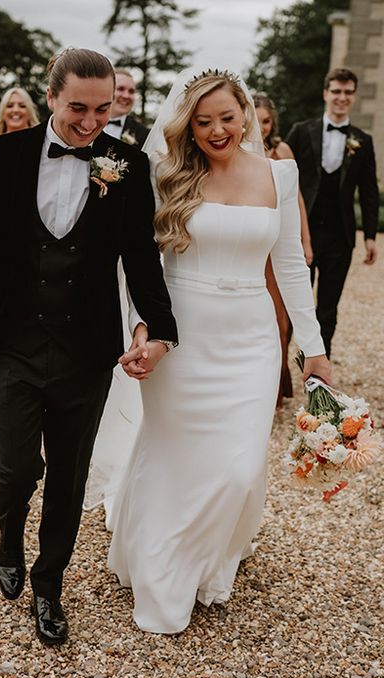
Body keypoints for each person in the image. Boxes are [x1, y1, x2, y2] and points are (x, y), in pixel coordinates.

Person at [0, 48, 177, 645]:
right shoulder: (4, 154)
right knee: (18, 463)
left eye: (102, 110)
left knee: (70, 475)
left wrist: (160, 326)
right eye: (77, 108)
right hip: (13, 342)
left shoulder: (124, 162)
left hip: (86, 346)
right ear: (50, 97)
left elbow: (141, 256)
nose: (89, 123)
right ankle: (7, 532)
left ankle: (49, 585)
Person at [105, 69, 332, 634]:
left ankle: (211, 554)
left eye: (227, 118)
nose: (216, 130)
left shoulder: (279, 175)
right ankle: (163, 574)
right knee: (174, 453)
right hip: (180, 333)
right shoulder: (167, 175)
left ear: (246, 115)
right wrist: (142, 328)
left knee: (238, 466)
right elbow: (144, 265)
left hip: (252, 338)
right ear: (187, 124)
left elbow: (289, 266)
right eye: (203, 121)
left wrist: (313, 346)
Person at [285, 67, 379, 357]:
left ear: (354, 96)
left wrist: (371, 236)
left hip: (340, 236)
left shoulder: (363, 141)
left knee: (328, 308)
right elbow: (282, 176)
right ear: (326, 93)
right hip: (303, 232)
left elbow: (368, 192)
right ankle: (279, 373)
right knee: (292, 304)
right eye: (336, 91)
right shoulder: (301, 131)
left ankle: (318, 375)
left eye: (348, 92)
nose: (342, 97)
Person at [253, 92, 313, 403]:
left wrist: (305, 239)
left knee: (280, 316)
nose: (261, 127)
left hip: (279, 242)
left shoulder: (282, 150)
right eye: (257, 120)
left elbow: (298, 199)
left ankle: (276, 387)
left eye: (267, 121)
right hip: (253, 244)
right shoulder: (236, 150)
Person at [102, 69, 149, 147]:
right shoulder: (87, 122)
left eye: (131, 91)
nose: (126, 96)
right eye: (120, 89)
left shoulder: (144, 134)